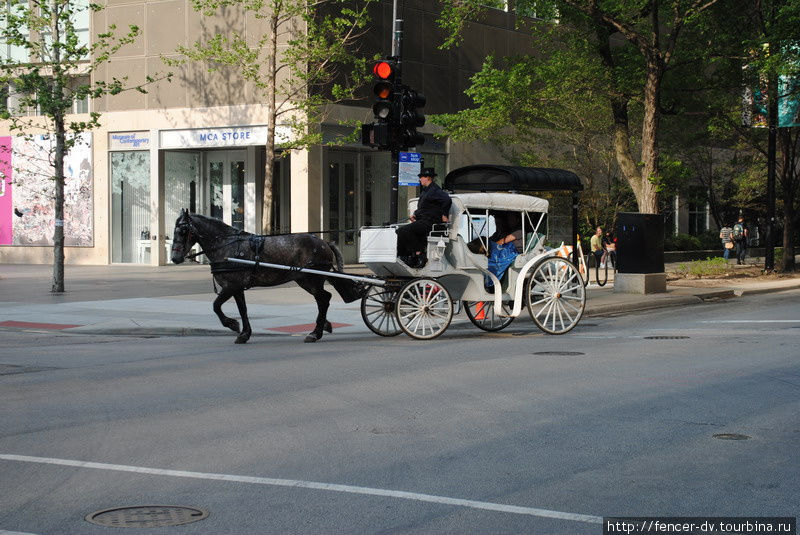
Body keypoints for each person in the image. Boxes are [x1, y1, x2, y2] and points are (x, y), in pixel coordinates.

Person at [396, 167, 451, 268]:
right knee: (399, 231)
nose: (420, 179)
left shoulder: (435, 190)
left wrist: (444, 214)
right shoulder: (425, 191)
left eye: (421, 177)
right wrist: (415, 215)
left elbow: (447, 200)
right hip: (422, 220)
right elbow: (423, 207)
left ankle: (419, 254)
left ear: (428, 178)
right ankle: (408, 256)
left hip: (430, 221)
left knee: (403, 231)